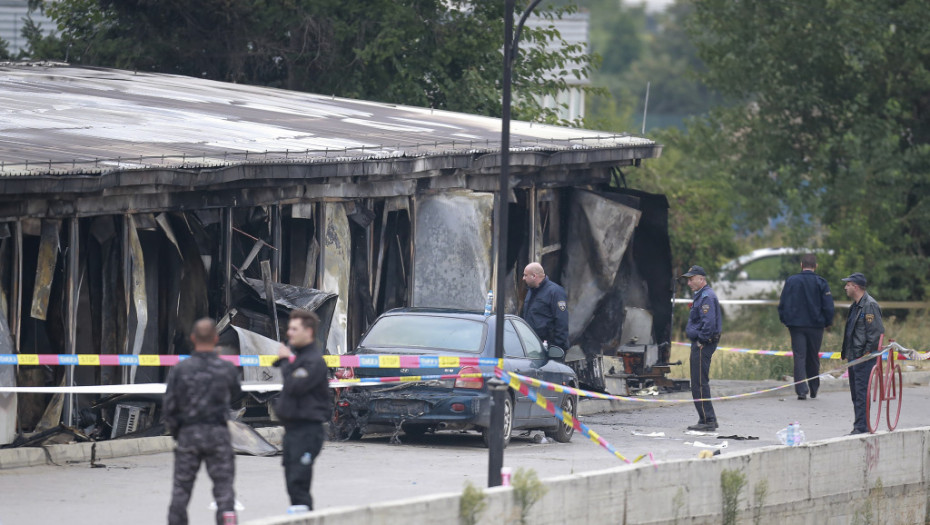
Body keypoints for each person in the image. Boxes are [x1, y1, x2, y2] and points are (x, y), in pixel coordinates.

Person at [165, 318, 242, 525]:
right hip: (218, 434)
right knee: (224, 488)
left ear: (192, 339)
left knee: (181, 489)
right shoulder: (226, 369)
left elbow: (170, 406)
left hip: (189, 434)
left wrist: (177, 432)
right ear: (216, 339)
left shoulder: (181, 369)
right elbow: (236, 394)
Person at [274, 309, 331, 512]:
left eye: (294, 329)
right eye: (289, 328)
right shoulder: (300, 358)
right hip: (293, 430)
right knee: (291, 480)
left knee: (299, 481)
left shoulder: (313, 361)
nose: (289, 333)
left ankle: (303, 515)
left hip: (307, 431)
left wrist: (284, 361)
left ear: (308, 332)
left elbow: (295, 386)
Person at [778, 254, 835, 400]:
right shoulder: (821, 282)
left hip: (796, 325)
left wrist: (785, 320)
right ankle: (814, 388)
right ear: (815, 266)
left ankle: (801, 391)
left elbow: (783, 303)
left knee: (799, 356)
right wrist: (828, 322)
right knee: (813, 356)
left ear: (801, 265)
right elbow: (828, 305)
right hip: (816, 325)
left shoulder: (791, 281)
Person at [840, 272, 884, 435]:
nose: (846, 287)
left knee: (861, 393)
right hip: (854, 357)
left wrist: (865, 354)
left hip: (863, 358)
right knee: (856, 394)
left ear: (856, 287)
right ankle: (860, 425)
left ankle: (861, 427)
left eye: (848, 284)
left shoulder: (869, 305)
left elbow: (876, 333)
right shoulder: (855, 306)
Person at [682, 265, 722, 431]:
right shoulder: (700, 295)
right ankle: (705, 418)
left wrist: (701, 341)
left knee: (699, 383)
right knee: (698, 382)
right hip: (700, 343)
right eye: (688, 279)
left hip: (702, 345)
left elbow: (709, 323)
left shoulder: (706, 297)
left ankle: (708, 420)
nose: (689, 282)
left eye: (692, 279)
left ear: (701, 279)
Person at [521, 262, 569, 350]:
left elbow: (562, 321)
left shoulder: (555, 292)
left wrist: (556, 347)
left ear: (534, 276)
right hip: (533, 346)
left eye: (525, 275)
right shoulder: (531, 292)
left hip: (549, 347)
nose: (523, 278)